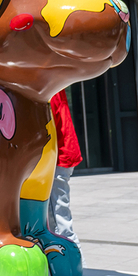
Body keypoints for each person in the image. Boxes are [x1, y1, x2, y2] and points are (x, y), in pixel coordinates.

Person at [48, 89, 83, 245]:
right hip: (62, 153)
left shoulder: (49, 88)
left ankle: (74, 258)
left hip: (58, 156)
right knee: (56, 219)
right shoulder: (54, 85)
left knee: (58, 222)